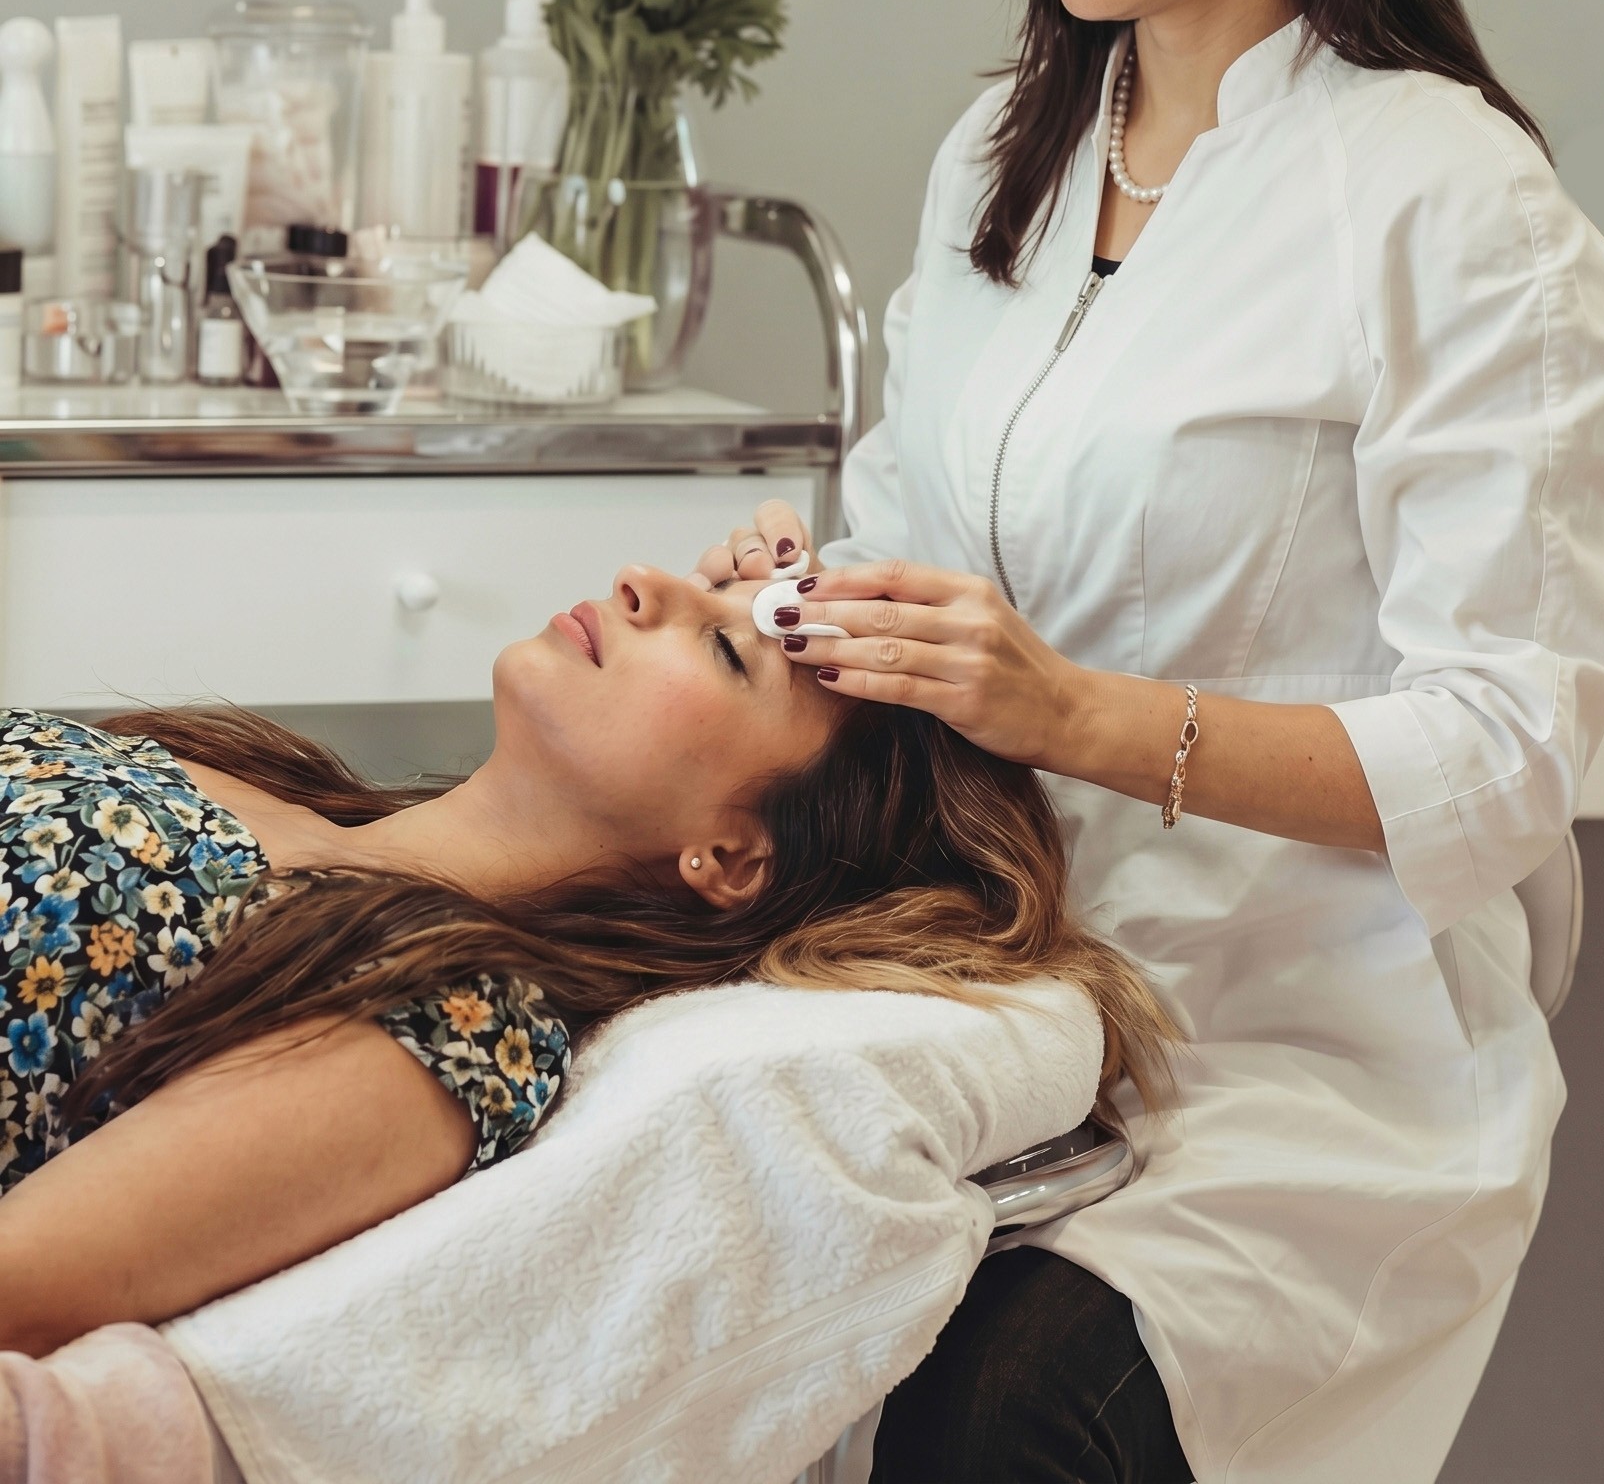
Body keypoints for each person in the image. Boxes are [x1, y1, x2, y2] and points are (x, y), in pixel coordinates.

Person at [700, 0, 1604, 1481]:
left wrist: (1072, 719)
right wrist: (814, 600)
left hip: (1293, 1073)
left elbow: (1498, 756)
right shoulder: (999, 161)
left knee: (993, 1427)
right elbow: (922, 545)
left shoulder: (1449, 207)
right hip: (989, 997)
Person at [0, 566, 1169, 1358]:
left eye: (721, 648)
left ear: (729, 854)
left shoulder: (446, 1023)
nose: (640, 582)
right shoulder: (264, 775)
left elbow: (30, 1288)